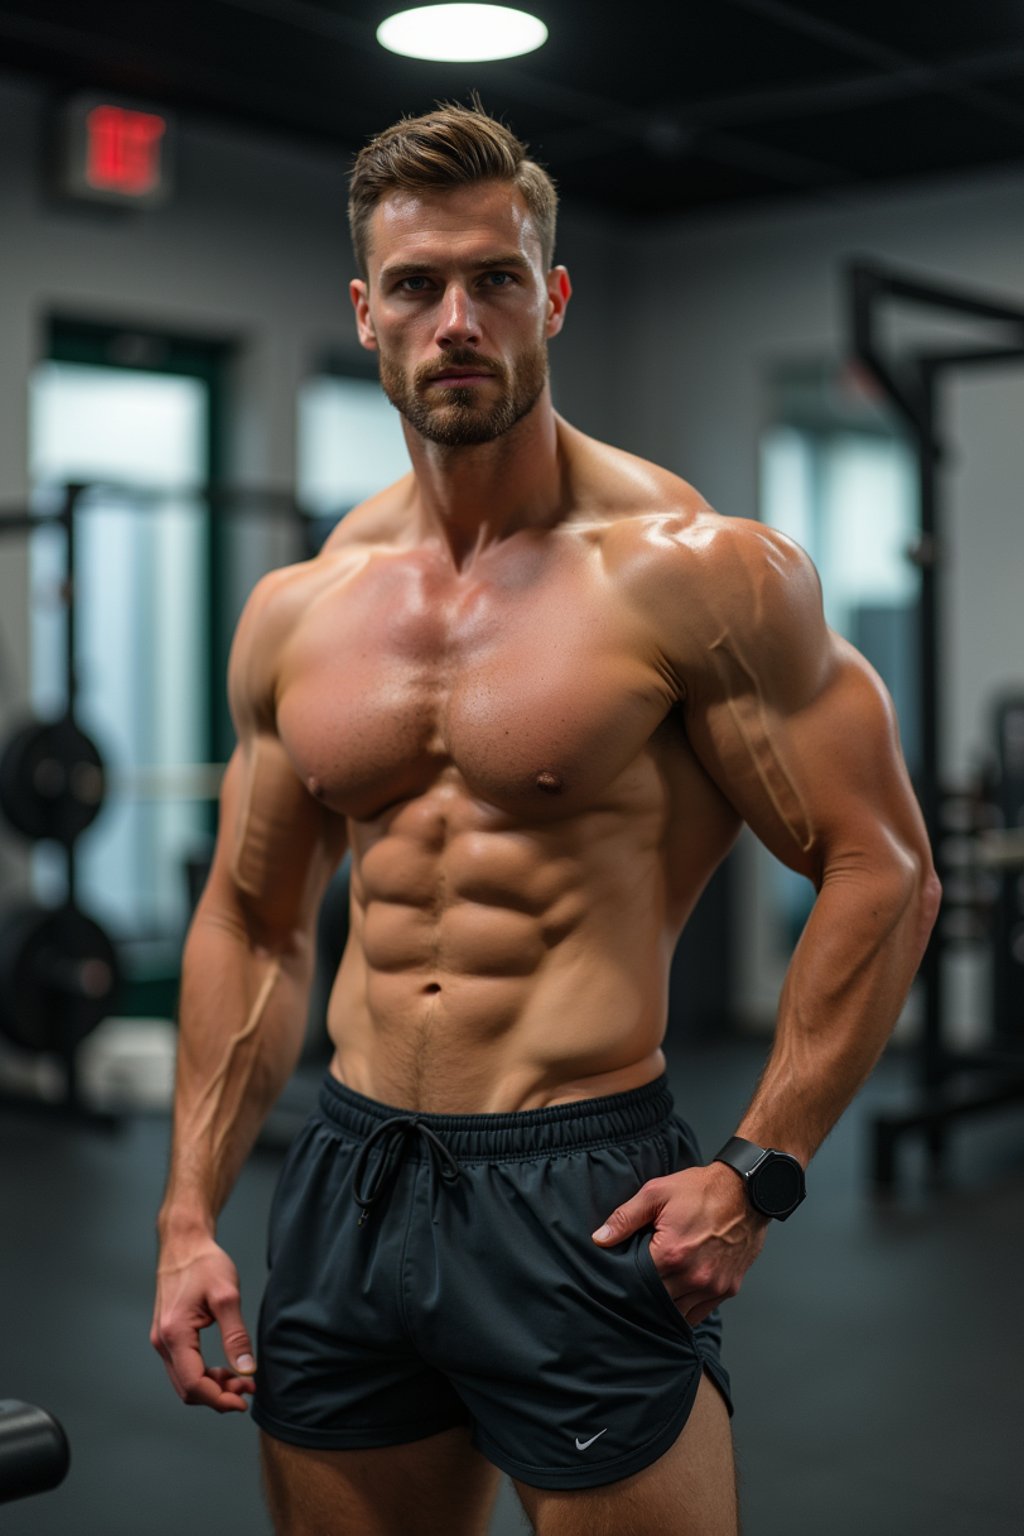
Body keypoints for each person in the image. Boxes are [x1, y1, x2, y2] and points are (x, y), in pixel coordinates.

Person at [151, 102, 941, 1536]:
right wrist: (189, 1215)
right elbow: (254, 921)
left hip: (577, 1185)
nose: (457, 319)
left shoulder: (700, 574)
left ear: (552, 297)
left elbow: (882, 865)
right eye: (417, 286)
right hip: (345, 1179)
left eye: (495, 279)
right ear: (366, 313)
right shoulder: (300, 611)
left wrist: (763, 1172)